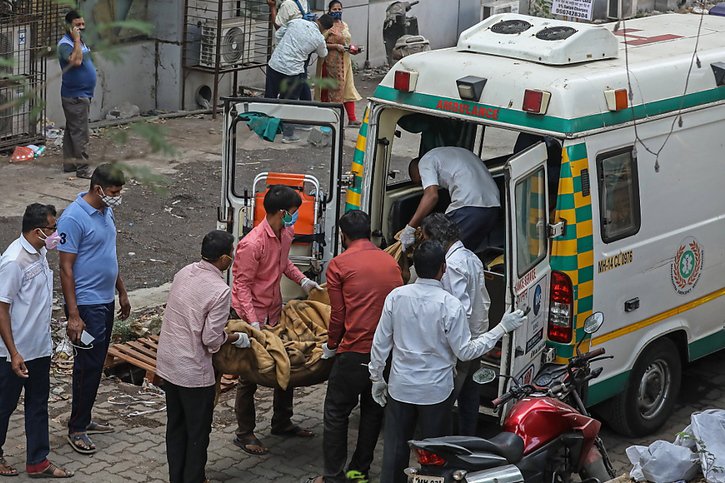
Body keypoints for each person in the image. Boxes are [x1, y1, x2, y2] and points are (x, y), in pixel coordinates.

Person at [369, 241, 526, 483]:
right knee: (436, 458)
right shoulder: (449, 305)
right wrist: (501, 329)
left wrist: (377, 377)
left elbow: (381, 343)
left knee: (394, 453)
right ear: (443, 268)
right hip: (435, 392)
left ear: (414, 267)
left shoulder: (396, 297)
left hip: (401, 388)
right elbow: (465, 351)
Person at [308, 211, 403, 483]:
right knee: (373, 412)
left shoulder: (339, 265)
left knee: (336, 411)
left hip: (354, 351)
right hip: (386, 353)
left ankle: (334, 476)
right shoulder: (390, 262)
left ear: (343, 235)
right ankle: (359, 470)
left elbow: (338, 314)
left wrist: (330, 346)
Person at [231, 185, 322, 456]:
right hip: (252, 314)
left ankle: (282, 421)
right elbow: (241, 287)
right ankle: (244, 433)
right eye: (294, 212)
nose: (295, 217)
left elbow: (283, 265)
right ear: (282, 212)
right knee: (248, 375)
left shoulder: (286, 233)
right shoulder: (252, 243)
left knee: (286, 362)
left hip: (274, 310)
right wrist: (253, 323)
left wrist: (304, 281)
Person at [157, 230, 250, 483]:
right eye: (230, 253)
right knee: (197, 432)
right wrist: (234, 337)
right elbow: (210, 340)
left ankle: (177, 477)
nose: (232, 257)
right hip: (193, 372)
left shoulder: (184, 272)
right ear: (223, 259)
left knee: (175, 426)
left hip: (168, 363)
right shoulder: (220, 290)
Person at [57, 163, 131, 455]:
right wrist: (73, 315)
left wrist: (122, 292)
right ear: (98, 188)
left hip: (106, 300)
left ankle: (84, 418)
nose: (117, 196)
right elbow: (65, 268)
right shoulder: (73, 218)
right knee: (87, 366)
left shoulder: (106, 211)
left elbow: (108, 255)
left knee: (96, 362)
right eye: (114, 191)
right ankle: (76, 428)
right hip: (86, 305)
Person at [0, 204, 73, 479]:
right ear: (37, 231)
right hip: (14, 352)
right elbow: (1, 308)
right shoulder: (13, 261)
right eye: (53, 228)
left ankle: (38, 461)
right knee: (4, 404)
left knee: (38, 403)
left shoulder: (40, 251)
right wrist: (14, 352)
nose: (57, 233)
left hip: (39, 347)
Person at [421, 213, 490, 436]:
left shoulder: (451, 265)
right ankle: (466, 440)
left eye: (425, 238)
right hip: (476, 336)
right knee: (470, 395)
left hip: (459, 343)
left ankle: (440, 447)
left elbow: (460, 309)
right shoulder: (470, 256)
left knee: (445, 399)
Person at [401, 147, 501, 252]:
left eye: (421, 182)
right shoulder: (451, 153)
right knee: (464, 253)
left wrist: (410, 228)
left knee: (439, 254)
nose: (424, 184)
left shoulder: (425, 162)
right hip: (492, 208)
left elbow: (431, 196)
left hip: (469, 207)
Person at [266, 15, 333, 143]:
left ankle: (265, 128)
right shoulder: (319, 38)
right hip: (292, 71)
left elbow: (279, 33)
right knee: (289, 102)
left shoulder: (296, 22)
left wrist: (283, 48)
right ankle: (288, 134)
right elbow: (323, 54)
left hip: (275, 64)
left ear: (317, 19)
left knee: (270, 97)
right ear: (325, 30)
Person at [58, 10, 97, 179]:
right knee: (80, 133)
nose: (81, 28)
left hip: (82, 93)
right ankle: (82, 168)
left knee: (72, 130)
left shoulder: (79, 42)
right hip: (75, 95)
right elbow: (76, 61)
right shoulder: (65, 44)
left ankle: (70, 164)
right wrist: (76, 40)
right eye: (77, 25)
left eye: (82, 24)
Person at [314, 1, 363, 127]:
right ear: (329, 10)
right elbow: (320, 43)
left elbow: (346, 42)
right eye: (334, 9)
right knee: (328, 90)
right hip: (328, 62)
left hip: (344, 62)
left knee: (347, 89)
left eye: (339, 9)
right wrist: (336, 46)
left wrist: (352, 49)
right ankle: (326, 119)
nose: (337, 11)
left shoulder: (344, 24)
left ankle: (352, 119)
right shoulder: (326, 25)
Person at [268, 0, 314, 101]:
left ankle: (277, 107)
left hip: (289, 50)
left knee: (278, 85)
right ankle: (307, 105)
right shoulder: (304, 1)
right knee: (302, 76)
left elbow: (278, 26)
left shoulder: (287, 4)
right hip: (304, 46)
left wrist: (272, 7)